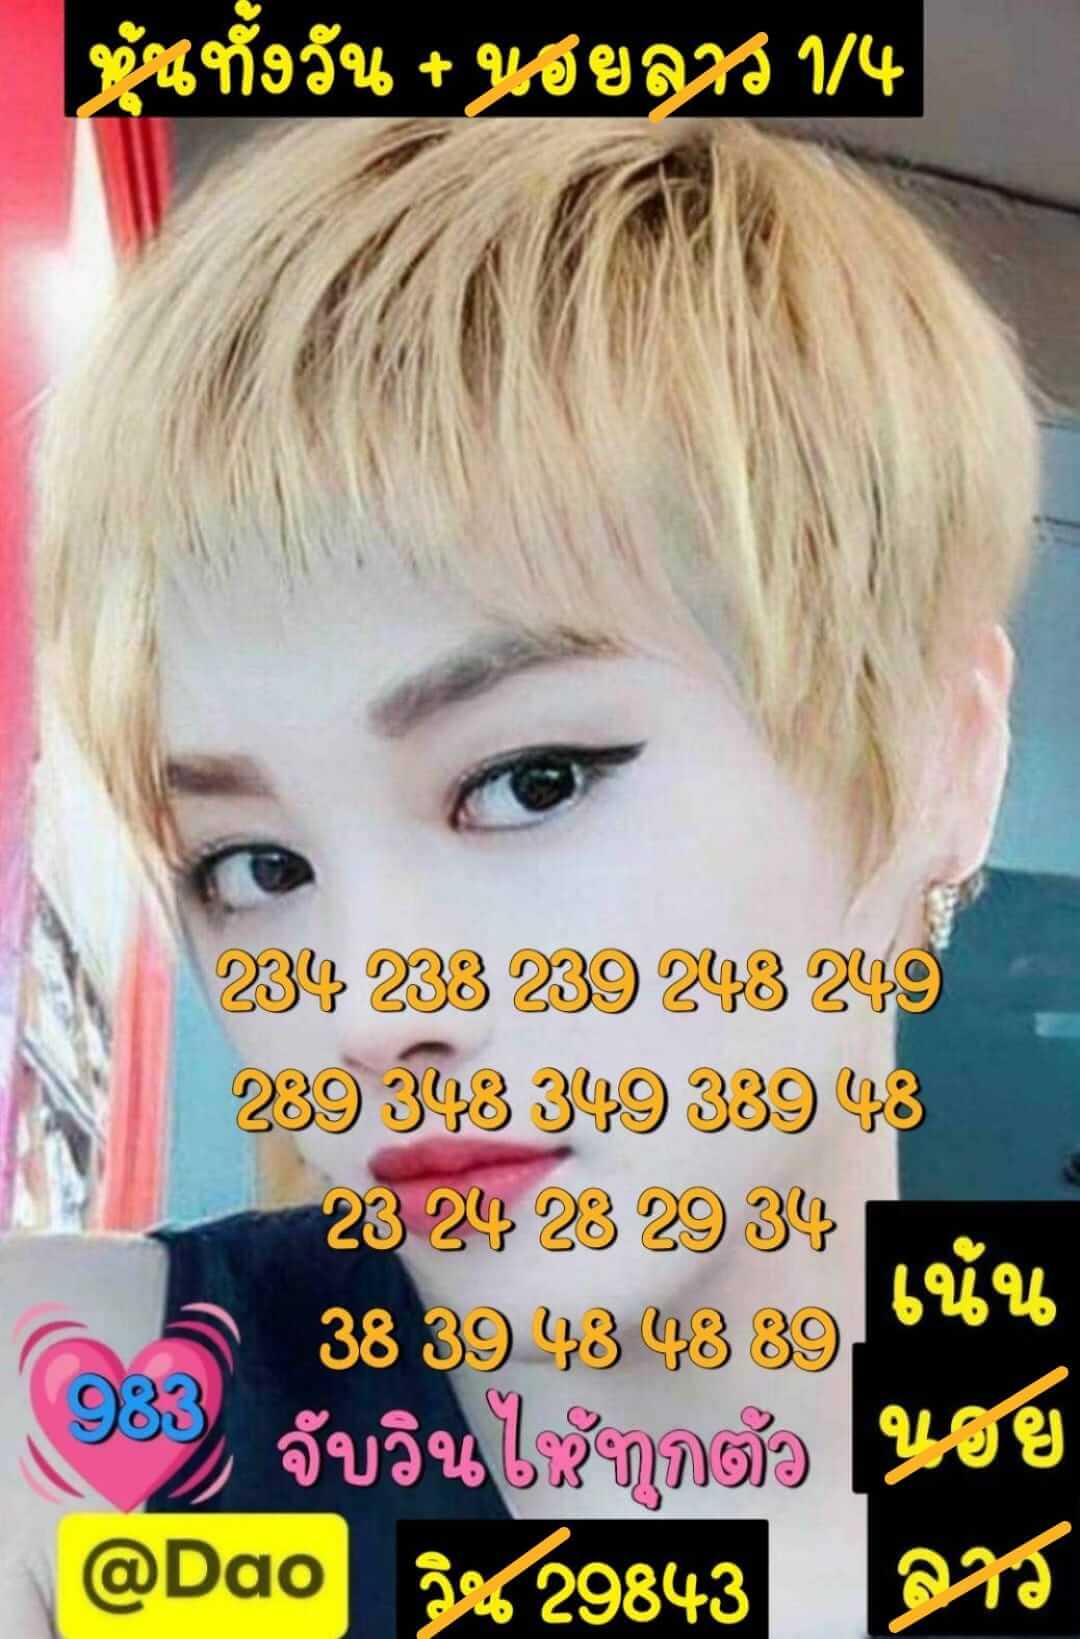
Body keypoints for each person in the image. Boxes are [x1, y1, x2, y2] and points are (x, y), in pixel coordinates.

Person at [0, 114, 1039, 1638]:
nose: (364, 1015)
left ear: (946, 758)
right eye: (255, 865)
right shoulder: (80, 1429)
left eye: (527, 782)